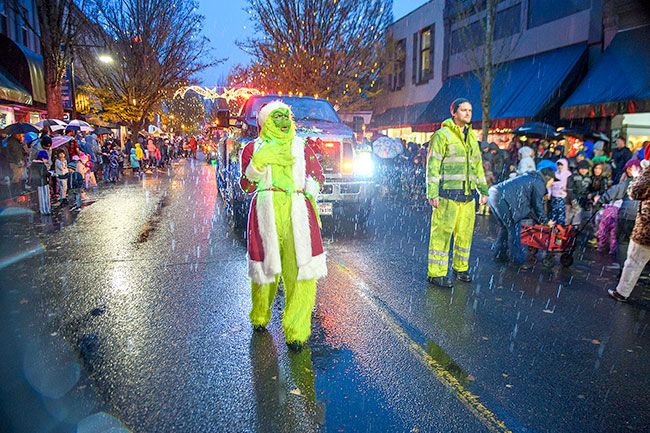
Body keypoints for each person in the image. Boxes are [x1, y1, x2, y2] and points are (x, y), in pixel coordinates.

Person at [239, 101, 327, 351]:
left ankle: (297, 331)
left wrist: (307, 192)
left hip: (298, 214)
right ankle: (259, 315)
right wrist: (256, 166)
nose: (283, 121)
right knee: (266, 273)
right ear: (265, 122)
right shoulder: (252, 148)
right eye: (276, 117)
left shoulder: (301, 147)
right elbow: (245, 186)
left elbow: (318, 176)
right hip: (265, 213)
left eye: (286, 116)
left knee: (301, 274)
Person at [425, 98, 489, 287]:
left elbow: (478, 166)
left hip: (468, 196)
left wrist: (483, 190)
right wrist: (432, 193)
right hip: (447, 195)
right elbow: (433, 165)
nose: (468, 113)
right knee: (442, 234)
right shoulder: (442, 135)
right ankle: (436, 273)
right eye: (463, 110)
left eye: (470, 110)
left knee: (464, 234)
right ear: (454, 113)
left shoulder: (471, 137)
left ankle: (460, 268)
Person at [488, 160, 556, 267]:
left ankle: (499, 255)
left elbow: (532, 206)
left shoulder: (531, 177)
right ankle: (518, 261)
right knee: (514, 229)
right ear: (548, 178)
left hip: (494, 194)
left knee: (505, 228)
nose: (552, 183)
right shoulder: (539, 183)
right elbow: (537, 205)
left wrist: (541, 219)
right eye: (553, 180)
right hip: (504, 199)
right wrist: (546, 221)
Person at [608, 160, 649, 301]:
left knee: (634, 261)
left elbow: (634, 193)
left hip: (646, 228)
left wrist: (637, 178)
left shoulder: (647, 174)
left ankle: (622, 292)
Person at [566, 160, 592, 226]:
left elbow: (589, 190)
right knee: (569, 220)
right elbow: (569, 190)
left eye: (585, 169)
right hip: (573, 201)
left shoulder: (589, 178)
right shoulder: (572, 177)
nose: (583, 170)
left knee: (581, 221)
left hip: (584, 203)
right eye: (581, 168)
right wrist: (573, 201)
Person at [548, 158, 571, 225]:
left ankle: (560, 229)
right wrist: (549, 193)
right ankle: (553, 229)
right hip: (554, 196)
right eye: (558, 165)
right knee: (554, 213)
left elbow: (568, 185)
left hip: (563, 197)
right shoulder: (555, 174)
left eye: (561, 165)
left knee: (561, 214)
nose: (560, 166)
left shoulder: (568, 174)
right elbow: (550, 185)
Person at [30, 150, 51, 215]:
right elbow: (44, 173)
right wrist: (49, 173)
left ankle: (42, 210)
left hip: (37, 182)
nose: (47, 160)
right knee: (45, 196)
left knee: (41, 197)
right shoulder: (41, 165)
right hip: (43, 182)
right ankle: (46, 210)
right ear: (42, 158)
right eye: (46, 159)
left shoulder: (33, 164)